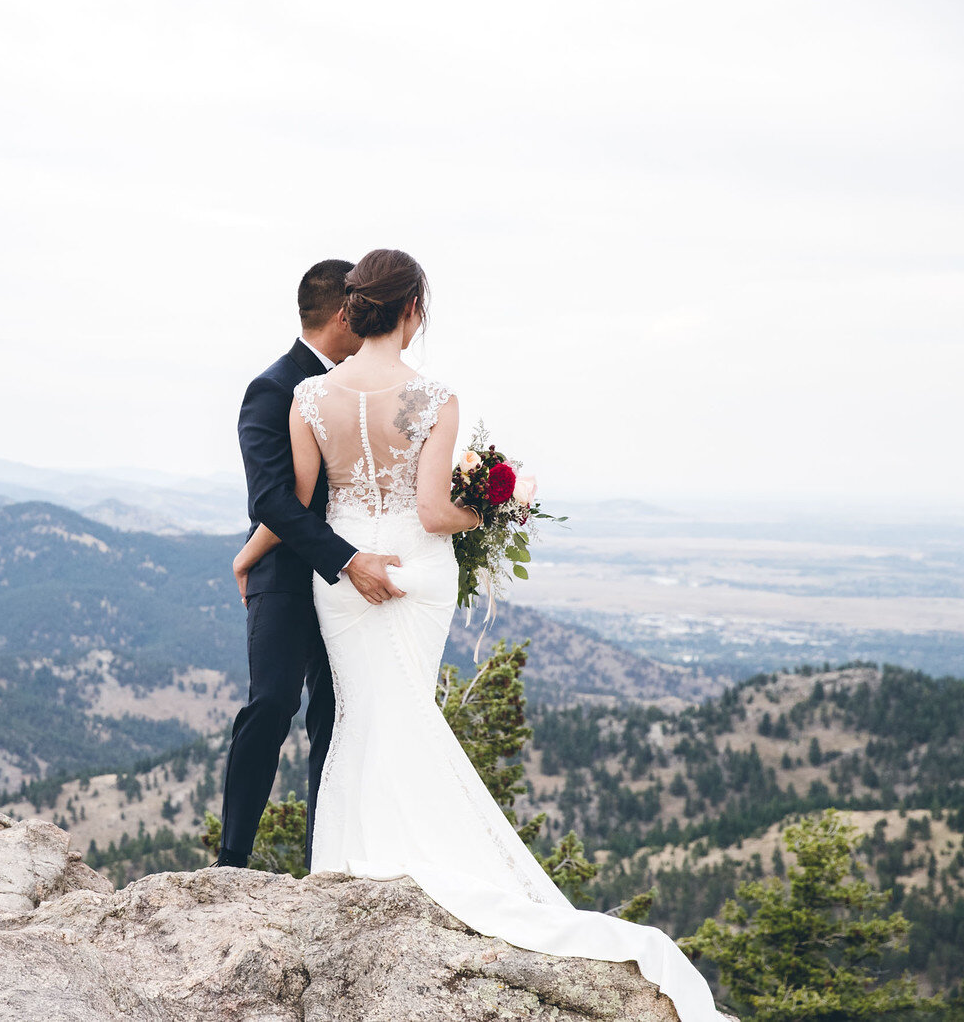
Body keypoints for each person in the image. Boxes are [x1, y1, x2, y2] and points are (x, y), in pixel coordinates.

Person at [230, 249, 730, 1022]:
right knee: (398, 711)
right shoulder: (435, 397)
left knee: (362, 713)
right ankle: (410, 860)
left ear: (355, 310)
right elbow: (433, 512)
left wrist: (254, 550)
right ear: (412, 311)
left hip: (343, 577)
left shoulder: (306, 396)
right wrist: (493, 509)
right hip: (415, 572)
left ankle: (347, 863)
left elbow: (295, 501)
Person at [216, 259, 404, 870]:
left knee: (336, 716)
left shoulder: (366, 387)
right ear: (346, 313)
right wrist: (346, 560)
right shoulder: (272, 387)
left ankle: (325, 861)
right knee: (270, 705)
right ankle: (231, 859)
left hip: (355, 580)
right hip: (292, 575)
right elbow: (269, 498)